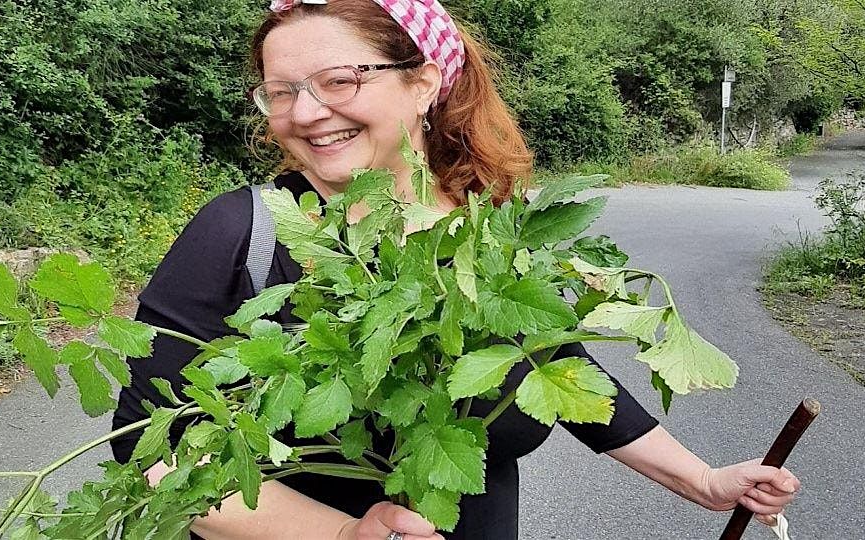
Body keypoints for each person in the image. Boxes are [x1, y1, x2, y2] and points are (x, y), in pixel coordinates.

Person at [110, 1, 801, 538]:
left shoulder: (492, 226)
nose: (307, 113)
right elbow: (154, 455)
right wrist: (349, 533)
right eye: (281, 91)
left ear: (423, 84)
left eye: (339, 80)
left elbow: (556, 366)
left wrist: (703, 482)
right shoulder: (240, 234)